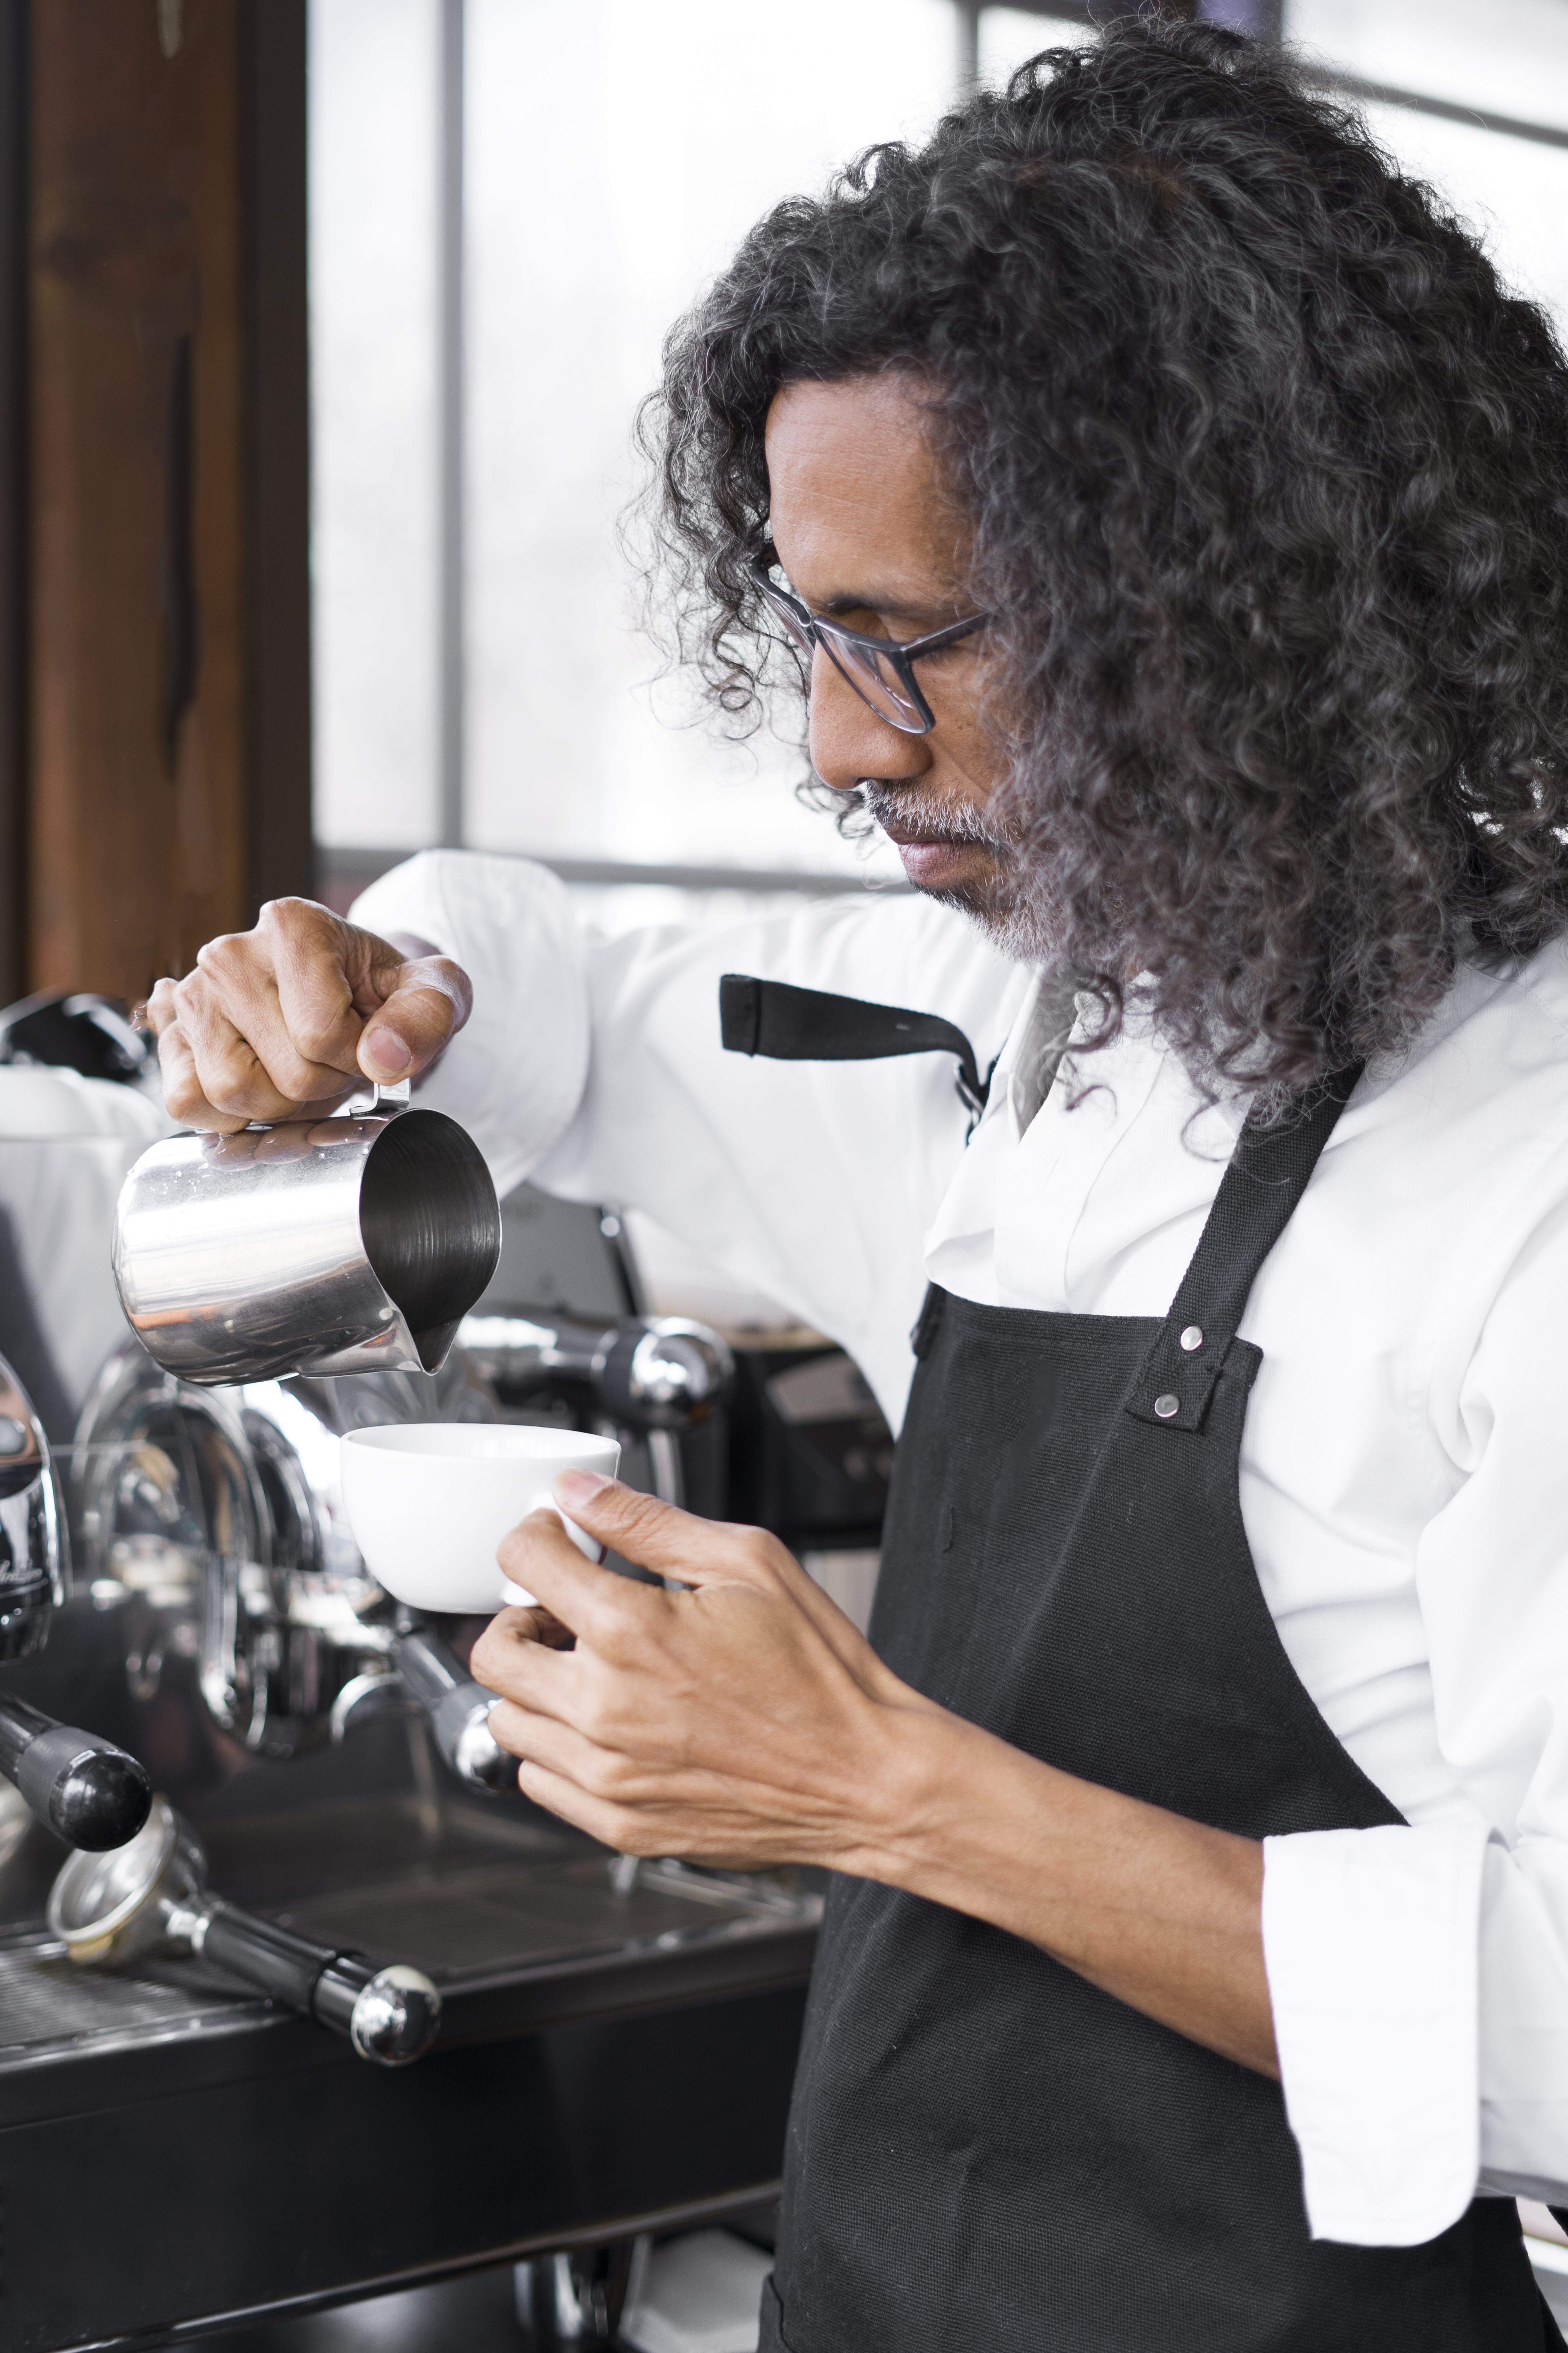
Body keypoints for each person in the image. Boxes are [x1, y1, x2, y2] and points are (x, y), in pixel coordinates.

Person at [149, 23, 1568, 2349]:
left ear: (1244, 607)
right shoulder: (1027, 1011)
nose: (836, 744)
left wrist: (886, 1789)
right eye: (814, 627)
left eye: (916, 646)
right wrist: (370, 980)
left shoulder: (1524, 1173)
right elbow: (571, 985)